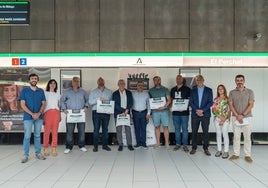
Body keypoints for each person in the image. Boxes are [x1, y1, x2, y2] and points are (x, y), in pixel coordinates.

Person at [19, 73, 46, 163]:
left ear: (37, 80)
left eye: (35, 78)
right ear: (29, 80)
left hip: (39, 116)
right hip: (28, 117)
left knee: (37, 135)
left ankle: (38, 153)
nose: (34, 80)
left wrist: (38, 113)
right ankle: (25, 155)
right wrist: (32, 114)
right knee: (27, 136)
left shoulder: (41, 91)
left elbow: (43, 103)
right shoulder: (24, 91)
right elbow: (22, 104)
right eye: (32, 78)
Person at [228, 74, 254, 163]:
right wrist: (237, 115)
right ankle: (236, 154)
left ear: (244, 81)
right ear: (235, 81)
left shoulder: (250, 91)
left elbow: (251, 104)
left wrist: (242, 115)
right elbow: (230, 105)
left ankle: (247, 155)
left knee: (247, 137)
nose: (239, 82)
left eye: (241, 80)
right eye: (238, 80)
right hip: (235, 118)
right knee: (236, 137)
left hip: (247, 117)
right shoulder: (232, 92)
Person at [60, 77, 89, 154]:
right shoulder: (67, 92)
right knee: (69, 131)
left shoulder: (83, 92)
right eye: (74, 81)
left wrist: (86, 106)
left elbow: (87, 100)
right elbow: (62, 101)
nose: (76, 82)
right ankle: (69, 147)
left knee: (81, 131)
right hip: (70, 115)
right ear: (72, 82)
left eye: (77, 81)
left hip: (80, 115)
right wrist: (64, 109)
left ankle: (81, 146)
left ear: (79, 82)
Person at [189, 75, 213, 156]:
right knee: (194, 132)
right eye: (197, 80)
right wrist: (197, 110)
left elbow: (210, 102)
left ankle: (206, 148)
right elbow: (191, 102)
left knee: (205, 132)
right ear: (196, 81)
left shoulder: (209, 90)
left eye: (200, 80)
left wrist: (202, 110)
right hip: (195, 114)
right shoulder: (192, 90)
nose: (199, 81)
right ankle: (193, 148)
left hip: (205, 114)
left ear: (203, 80)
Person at [88, 77, 113, 152]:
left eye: (102, 80)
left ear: (104, 82)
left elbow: (111, 102)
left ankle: (105, 145)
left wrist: (110, 110)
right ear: (97, 82)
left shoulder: (109, 92)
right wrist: (98, 99)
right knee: (96, 130)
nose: (101, 81)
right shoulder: (93, 92)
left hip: (106, 113)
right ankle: (95, 146)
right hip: (96, 112)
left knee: (105, 129)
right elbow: (90, 102)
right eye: (99, 80)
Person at [149, 76, 171, 149]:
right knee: (157, 127)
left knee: (165, 127)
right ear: (153, 81)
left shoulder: (165, 89)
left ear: (160, 80)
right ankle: (158, 143)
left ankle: (167, 143)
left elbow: (169, 100)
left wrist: (164, 107)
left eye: (158, 80)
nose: (157, 81)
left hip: (164, 111)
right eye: (155, 80)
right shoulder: (151, 90)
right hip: (155, 112)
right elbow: (149, 101)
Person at [170, 75, 191, 152]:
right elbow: (171, 100)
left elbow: (190, 100)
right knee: (177, 129)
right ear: (176, 80)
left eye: (180, 78)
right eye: (177, 78)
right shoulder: (173, 89)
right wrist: (171, 107)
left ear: (182, 80)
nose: (178, 80)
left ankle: (185, 145)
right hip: (175, 113)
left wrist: (184, 108)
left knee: (185, 129)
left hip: (184, 113)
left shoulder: (187, 89)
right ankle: (178, 144)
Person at [112, 79, 134, 151]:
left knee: (128, 129)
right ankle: (120, 144)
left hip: (127, 113)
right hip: (118, 114)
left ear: (125, 84)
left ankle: (129, 144)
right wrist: (123, 111)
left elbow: (131, 102)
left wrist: (127, 109)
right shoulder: (114, 93)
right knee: (119, 130)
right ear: (118, 84)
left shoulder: (129, 92)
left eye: (123, 83)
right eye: (120, 83)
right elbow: (115, 104)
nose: (122, 84)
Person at [43, 79, 61, 157]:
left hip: (56, 113)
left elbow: (59, 105)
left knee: (55, 132)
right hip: (47, 113)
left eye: (54, 83)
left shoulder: (58, 94)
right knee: (47, 132)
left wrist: (59, 115)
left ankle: (54, 148)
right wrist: (42, 115)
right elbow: (43, 105)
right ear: (49, 85)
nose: (53, 85)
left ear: (56, 85)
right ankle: (45, 147)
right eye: (51, 83)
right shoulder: (45, 93)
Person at [212, 84, 230, 159]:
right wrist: (219, 117)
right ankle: (219, 150)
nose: (220, 90)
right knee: (218, 134)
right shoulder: (215, 99)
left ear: (224, 90)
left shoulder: (228, 99)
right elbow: (213, 109)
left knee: (225, 134)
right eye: (219, 89)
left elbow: (229, 110)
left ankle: (226, 151)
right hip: (217, 119)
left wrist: (224, 119)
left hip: (226, 119)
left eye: (222, 89)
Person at [132, 81, 151, 149]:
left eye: (141, 85)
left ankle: (143, 143)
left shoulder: (146, 94)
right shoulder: (133, 94)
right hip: (135, 113)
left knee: (143, 128)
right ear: (136, 86)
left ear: (143, 86)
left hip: (144, 113)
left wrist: (148, 113)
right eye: (138, 85)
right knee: (136, 128)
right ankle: (138, 143)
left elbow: (148, 104)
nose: (140, 86)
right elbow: (131, 104)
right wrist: (131, 113)